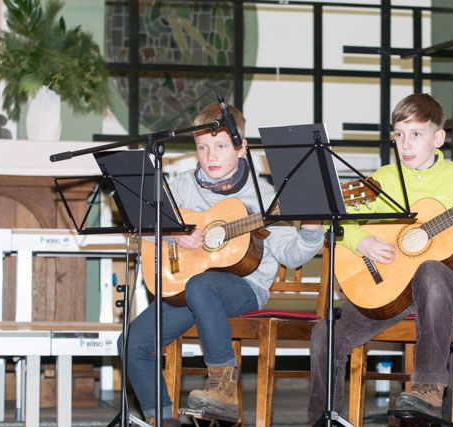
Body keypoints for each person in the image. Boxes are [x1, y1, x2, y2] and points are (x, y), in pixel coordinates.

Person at [306, 93, 453, 423]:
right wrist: (361, 241)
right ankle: (322, 421)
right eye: (399, 134)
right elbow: (338, 220)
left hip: (447, 291)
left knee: (429, 269)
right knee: (325, 334)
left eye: (416, 134)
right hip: (391, 292)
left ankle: (428, 388)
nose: (406, 144)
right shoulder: (384, 179)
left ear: (438, 138)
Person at [119, 102, 325, 427]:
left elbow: (291, 254)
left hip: (244, 289)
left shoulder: (264, 197)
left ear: (242, 148)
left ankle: (223, 387)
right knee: (133, 342)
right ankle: (162, 420)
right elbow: (143, 227)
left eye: (220, 147)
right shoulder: (182, 187)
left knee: (202, 285)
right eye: (202, 147)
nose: (210, 156)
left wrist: (312, 230)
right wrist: (174, 234)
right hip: (187, 288)